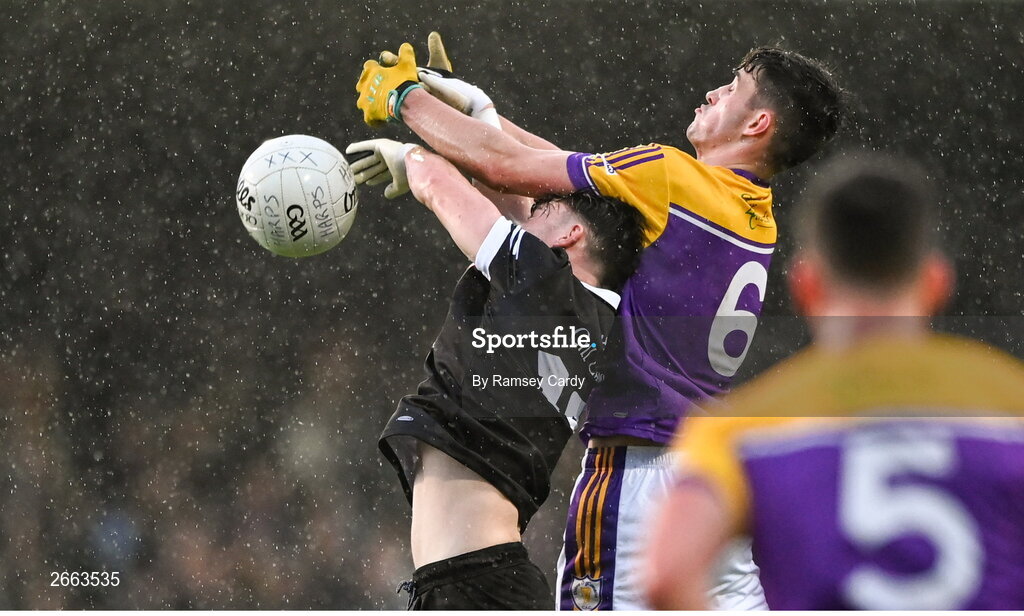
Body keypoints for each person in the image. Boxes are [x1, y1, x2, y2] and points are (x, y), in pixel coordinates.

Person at [353, 34, 846, 610]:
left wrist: (406, 99)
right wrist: (480, 114)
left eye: (732, 86)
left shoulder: (672, 178)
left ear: (758, 123)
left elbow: (513, 172)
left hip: (636, 477)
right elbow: (574, 215)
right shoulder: (752, 217)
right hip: (709, 478)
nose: (712, 92)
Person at [644, 155, 1024, 610]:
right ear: (936, 282)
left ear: (805, 284)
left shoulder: (742, 426)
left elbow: (667, 576)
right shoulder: (1009, 401)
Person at [348, 136, 646, 609]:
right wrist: (469, 118)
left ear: (570, 237)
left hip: (477, 585)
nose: (525, 218)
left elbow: (442, 188)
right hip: (475, 580)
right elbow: (507, 186)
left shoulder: (545, 281)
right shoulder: (586, 316)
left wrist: (410, 153)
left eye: (542, 213)